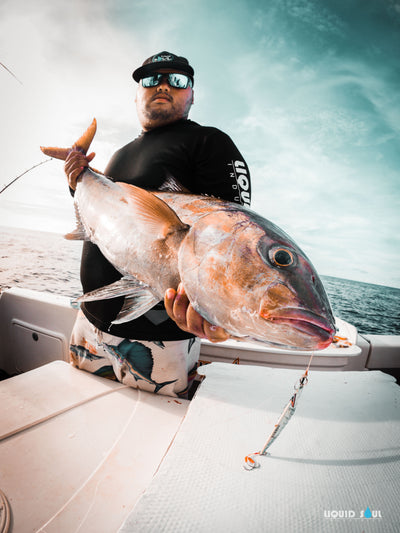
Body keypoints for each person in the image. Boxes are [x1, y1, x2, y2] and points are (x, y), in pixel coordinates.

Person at [64, 51, 251, 397]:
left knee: (147, 436)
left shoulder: (210, 143)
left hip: (160, 340)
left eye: (177, 80)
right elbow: (103, 222)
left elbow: (232, 240)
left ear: (192, 94)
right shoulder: (120, 153)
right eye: (151, 79)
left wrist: (217, 314)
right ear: (137, 94)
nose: (163, 85)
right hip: (91, 322)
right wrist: (77, 182)